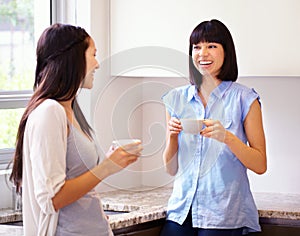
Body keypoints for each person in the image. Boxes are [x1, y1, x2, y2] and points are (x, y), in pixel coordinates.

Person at [9, 23, 142, 236]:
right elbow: (53, 198)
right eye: (93, 55)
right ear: (72, 58)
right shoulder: (49, 112)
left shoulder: (68, 109)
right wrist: (108, 166)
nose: (98, 64)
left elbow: (78, 187)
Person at [160, 19, 267, 236]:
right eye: (197, 47)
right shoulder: (176, 99)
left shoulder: (245, 99)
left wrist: (227, 137)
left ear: (226, 52)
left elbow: (260, 164)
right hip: (182, 210)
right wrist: (172, 137)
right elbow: (171, 169)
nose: (203, 53)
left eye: (212, 46)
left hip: (224, 213)